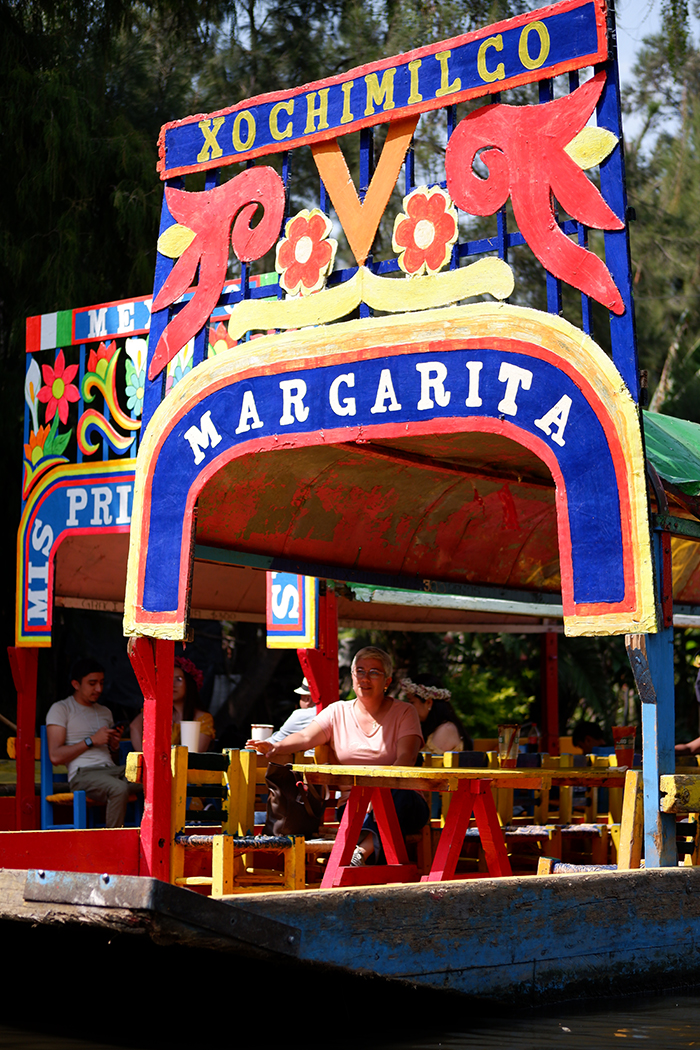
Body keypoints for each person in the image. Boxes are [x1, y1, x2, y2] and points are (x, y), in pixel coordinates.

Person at [247, 646, 428, 865]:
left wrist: (379, 797)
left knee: (395, 800)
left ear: (387, 682)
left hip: (402, 801)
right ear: (352, 677)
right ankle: (366, 857)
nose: (365, 678)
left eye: (374, 672)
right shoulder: (337, 711)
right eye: (360, 671)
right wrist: (275, 746)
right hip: (355, 808)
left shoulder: (404, 712)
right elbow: (305, 737)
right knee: (365, 819)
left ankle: (360, 852)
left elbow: (405, 760)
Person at [46, 658, 139, 828]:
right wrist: (91, 741)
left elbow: (110, 755)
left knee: (152, 779)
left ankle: (154, 837)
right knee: (119, 789)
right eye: (92, 683)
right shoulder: (61, 709)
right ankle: (113, 842)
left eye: (102, 683)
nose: (99, 689)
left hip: (111, 770)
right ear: (76, 684)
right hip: (83, 774)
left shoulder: (105, 712)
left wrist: (113, 745)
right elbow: (55, 756)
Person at [130, 656, 214, 753]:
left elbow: (196, 753)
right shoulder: (158, 712)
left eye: (179, 679)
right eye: (168, 679)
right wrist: (147, 758)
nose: (172, 684)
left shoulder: (203, 718)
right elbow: (134, 726)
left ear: (189, 684)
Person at [401, 674, 472, 753]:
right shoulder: (431, 728)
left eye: (412, 702)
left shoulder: (446, 730)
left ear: (428, 702)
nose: (409, 707)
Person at [267, 677, 317, 746]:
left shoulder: (301, 715)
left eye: (301, 698)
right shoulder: (333, 712)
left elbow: (274, 742)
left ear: (308, 700)